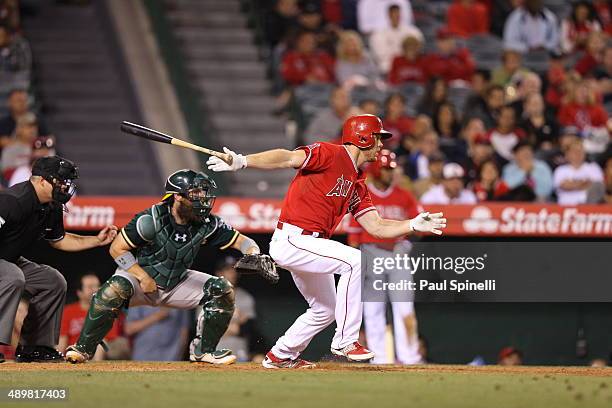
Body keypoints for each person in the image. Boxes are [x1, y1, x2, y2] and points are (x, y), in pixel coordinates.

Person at [206, 114, 446, 368]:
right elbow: (287, 157)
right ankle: (345, 340)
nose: (380, 144)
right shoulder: (329, 153)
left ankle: (281, 355)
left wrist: (411, 224)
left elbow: (376, 226)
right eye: (377, 137)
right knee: (355, 261)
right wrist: (243, 161)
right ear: (362, 137)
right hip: (293, 238)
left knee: (325, 309)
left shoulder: (357, 183)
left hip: (312, 245)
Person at [64, 169, 271, 365]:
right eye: (196, 193)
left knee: (222, 289)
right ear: (178, 196)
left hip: (176, 281)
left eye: (203, 192)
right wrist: (142, 276)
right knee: (112, 290)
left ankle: (203, 351)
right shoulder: (150, 219)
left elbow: (241, 240)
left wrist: (253, 253)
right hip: (141, 279)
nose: (202, 198)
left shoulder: (206, 222)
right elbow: (117, 249)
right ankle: (83, 348)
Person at [0, 156, 117, 362]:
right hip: (6, 262)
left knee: (52, 281)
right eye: (60, 181)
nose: (65, 186)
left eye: (67, 182)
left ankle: (34, 347)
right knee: (12, 276)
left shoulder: (51, 205)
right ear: (41, 180)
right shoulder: (13, 200)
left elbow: (60, 240)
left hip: (8, 259)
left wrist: (96, 240)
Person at [347, 150, 423, 365]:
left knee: (405, 307)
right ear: (376, 169)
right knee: (373, 310)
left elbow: (419, 227)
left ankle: (410, 357)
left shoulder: (404, 195)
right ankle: (379, 358)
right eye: (386, 169)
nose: (391, 173)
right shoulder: (363, 193)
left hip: (397, 254)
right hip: (371, 254)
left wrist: (407, 244)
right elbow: (353, 236)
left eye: (392, 169)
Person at [58, 274, 123, 360]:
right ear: (79, 292)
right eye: (90, 287)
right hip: (73, 352)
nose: (95, 290)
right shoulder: (68, 311)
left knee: (106, 344)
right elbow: (62, 339)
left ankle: (95, 370)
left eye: (97, 286)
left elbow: (110, 338)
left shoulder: (108, 309)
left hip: (99, 351)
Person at [216, 263, 265, 362]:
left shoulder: (245, 298)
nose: (232, 273)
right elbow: (203, 328)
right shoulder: (208, 296)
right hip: (214, 352)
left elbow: (248, 328)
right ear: (219, 273)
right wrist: (235, 325)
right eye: (227, 270)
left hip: (239, 352)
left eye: (234, 270)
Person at [369, 4, 423, 74]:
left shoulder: (413, 32)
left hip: (410, 64)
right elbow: (381, 55)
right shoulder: (378, 34)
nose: (396, 16)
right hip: (388, 66)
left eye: (397, 13)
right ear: (389, 15)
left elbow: (418, 49)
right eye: (393, 13)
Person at [124, 306, 190, 361]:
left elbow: (184, 331)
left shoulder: (180, 298)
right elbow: (129, 329)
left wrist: (179, 354)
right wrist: (157, 316)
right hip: (144, 357)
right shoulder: (140, 296)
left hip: (171, 357)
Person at [553, 139, 604, 205]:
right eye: (575, 151)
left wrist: (572, 184)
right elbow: (564, 186)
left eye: (581, 151)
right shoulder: (560, 170)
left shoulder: (593, 168)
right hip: (565, 208)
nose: (578, 154)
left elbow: (598, 187)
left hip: (590, 208)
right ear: (567, 154)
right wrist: (584, 183)